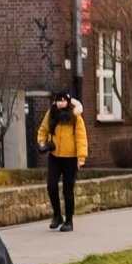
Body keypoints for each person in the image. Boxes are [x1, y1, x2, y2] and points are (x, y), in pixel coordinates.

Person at [36, 91, 87, 231]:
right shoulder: (51, 114)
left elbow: (81, 137)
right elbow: (43, 130)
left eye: (63, 101)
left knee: (67, 190)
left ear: (68, 102)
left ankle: (69, 221)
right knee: (51, 186)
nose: (60, 103)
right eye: (58, 101)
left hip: (70, 158)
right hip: (54, 156)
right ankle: (57, 215)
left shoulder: (75, 116)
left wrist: (81, 157)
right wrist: (42, 143)